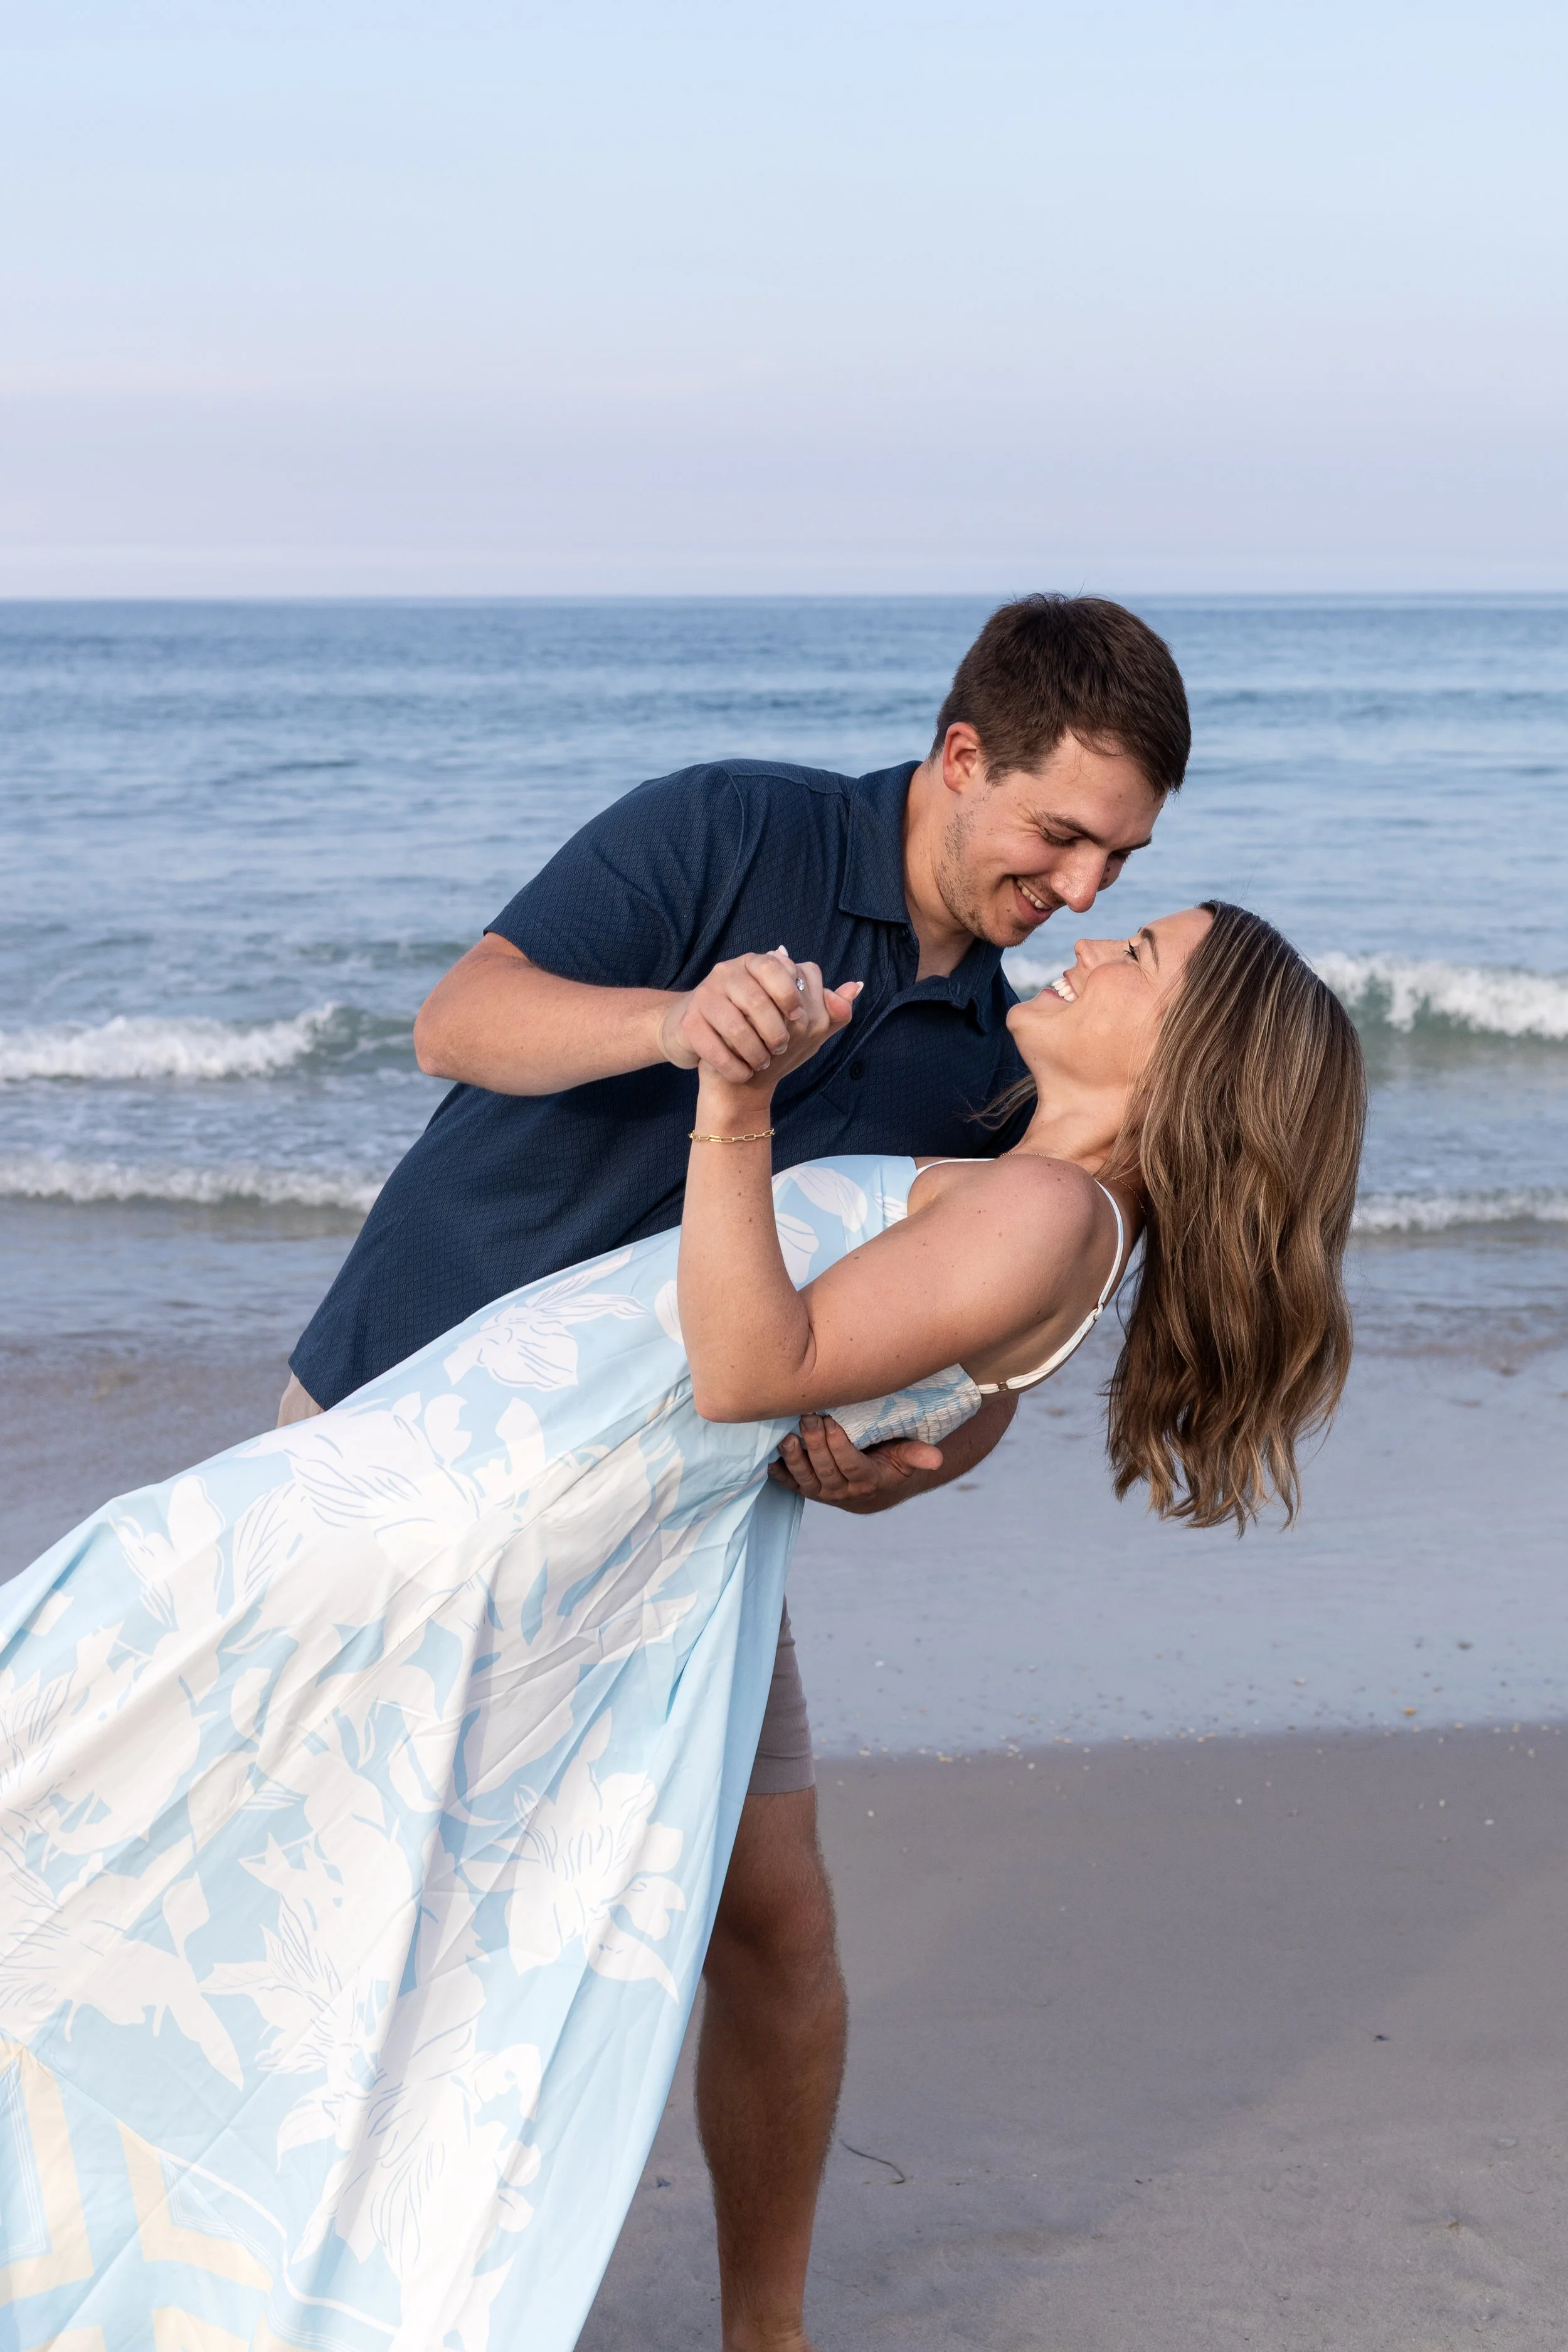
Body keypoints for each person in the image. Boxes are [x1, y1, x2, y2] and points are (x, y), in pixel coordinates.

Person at [0, 901, 1365, 2352]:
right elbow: (943, 1382)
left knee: (94, 1741)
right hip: (496, 1495)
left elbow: (742, 1365)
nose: (1090, 948)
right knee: (187, 1832)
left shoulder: (1048, 1215)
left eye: (1136, 959)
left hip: (475, 1508)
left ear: (1186, 1062)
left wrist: (736, 1100)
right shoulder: (1034, 1201)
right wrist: (905, 1438)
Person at [275, 593, 1192, 2347]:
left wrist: (937, 1453)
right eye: (1059, 833)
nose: (1081, 891)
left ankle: (763, 2330)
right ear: (955, 760)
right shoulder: (728, 823)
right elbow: (460, 1022)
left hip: (673, 1521)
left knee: (771, 1923)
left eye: (1119, 859)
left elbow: (976, 1318)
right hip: (411, 1433)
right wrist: (684, 1028)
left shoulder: (992, 1054)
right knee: (355, 1905)